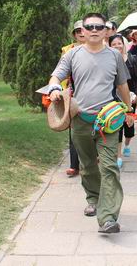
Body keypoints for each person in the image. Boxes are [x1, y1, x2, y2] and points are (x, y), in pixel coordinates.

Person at [47, 13, 132, 234]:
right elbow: (56, 77)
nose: (94, 30)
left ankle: (108, 217)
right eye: (90, 26)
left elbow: (122, 85)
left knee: (109, 167)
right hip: (80, 121)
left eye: (99, 27)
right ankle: (93, 198)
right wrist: (54, 89)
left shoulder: (114, 56)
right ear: (82, 31)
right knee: (87, 165)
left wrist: (129, 110)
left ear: (106, 31)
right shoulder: (72, 55)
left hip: (108, 122)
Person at [109, 34, 137, 168]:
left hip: (130, 98)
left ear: (123, 44)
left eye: (119, 43)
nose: (117, 46)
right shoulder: (108, 61)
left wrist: (136, 94)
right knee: (118, 127)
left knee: (129, 128)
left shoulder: (132, 59)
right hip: (115, 100)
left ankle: (127, 144)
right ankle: (118, 156)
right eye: (113, 44)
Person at [61, 20, 85, 177]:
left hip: (93, 94)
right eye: (78, 31)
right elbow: (61, 72)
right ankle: (74, 165)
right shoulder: (68, 51)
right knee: (74, 129)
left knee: (93, 128)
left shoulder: (98, 48)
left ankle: (93, 159)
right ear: (74, 34)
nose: (81, 33)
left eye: (83, 30)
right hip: (73, 94)